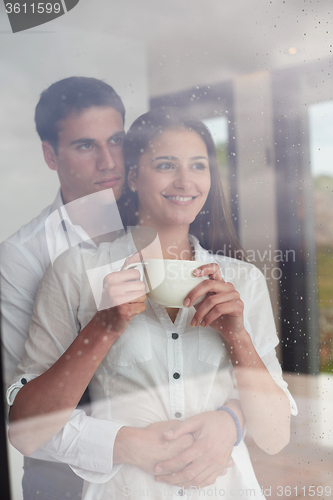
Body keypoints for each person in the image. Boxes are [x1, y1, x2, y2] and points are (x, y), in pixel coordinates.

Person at [7, 107, 297, 499]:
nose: (185, 181)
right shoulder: (76, 270)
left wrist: (238, 338)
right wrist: (104, 327)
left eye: (198, 166)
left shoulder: (242, 280)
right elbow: (26, 428)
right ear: (131, 176)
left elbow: (275, 436)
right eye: (165, 165)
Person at [1, 79, 195, 500]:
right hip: (65, 479)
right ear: (51, 156)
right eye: (86, 146)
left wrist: (226, 425)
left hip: (179, 471)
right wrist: (132, 445)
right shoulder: (23, 255)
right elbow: (24, 406)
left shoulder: (163, 213)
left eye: (117, 140)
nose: (108, 161)